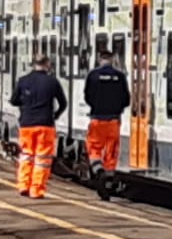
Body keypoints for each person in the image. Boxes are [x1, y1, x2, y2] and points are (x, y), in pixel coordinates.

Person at [8, 53, 67, 199]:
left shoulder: (23, 81)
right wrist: (56, 114)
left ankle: (23, 185)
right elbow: (63, 103)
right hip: (46, 124)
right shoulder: (52, 82)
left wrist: (25, 103)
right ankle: (36, 190)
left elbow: (14, 100)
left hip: (27, 124)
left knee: (26, 155)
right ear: (47, 64)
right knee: (42, 159)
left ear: (33, 64)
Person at [81, 42, 131, 178]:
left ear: (99, 59)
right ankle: (108, 179)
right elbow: (126, 99)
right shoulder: (120, 77)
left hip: (97, 119)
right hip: (114, 121)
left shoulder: (93, 76)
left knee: (94, 149)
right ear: (112, 59)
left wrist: (96, 106)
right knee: (111, 151)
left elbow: (87, 96)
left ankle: (98, 170)